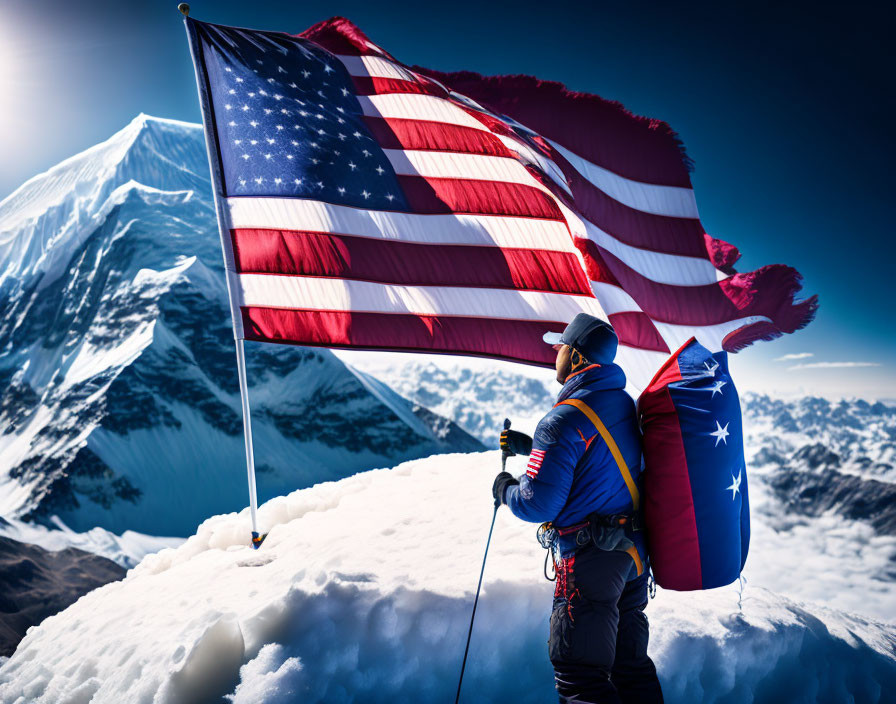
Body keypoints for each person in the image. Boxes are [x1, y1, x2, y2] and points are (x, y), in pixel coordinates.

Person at [492, 313, 664, 704]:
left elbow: (538, 503)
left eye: (562, 346)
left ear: (579, 358)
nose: (556, 352)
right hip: (633, 558)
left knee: (580, 678)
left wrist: (506, 490)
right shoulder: (622, 403)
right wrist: (532, 448)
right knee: (629, 670)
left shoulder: (561, 420)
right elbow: (598, 456)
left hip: (589, 562)